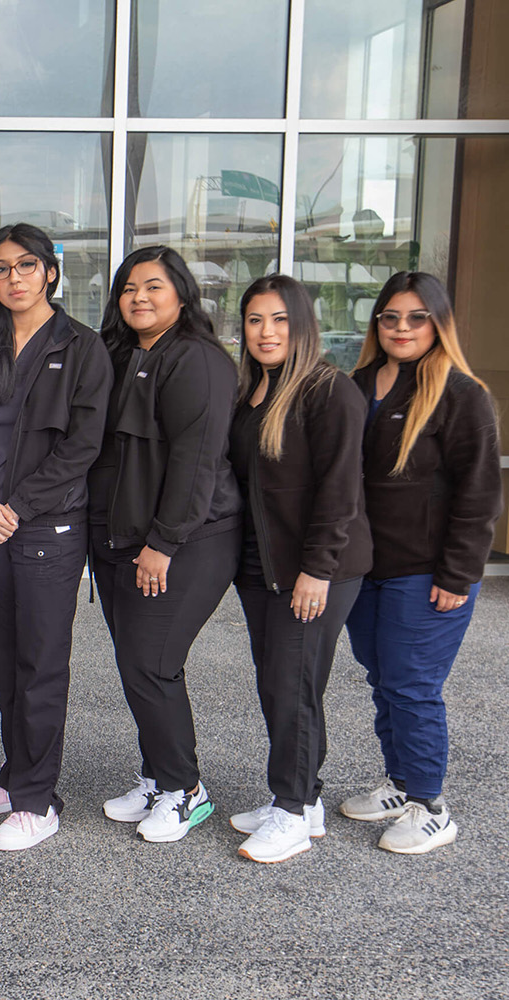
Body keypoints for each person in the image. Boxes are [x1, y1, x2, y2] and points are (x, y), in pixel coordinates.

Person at [0, 223, 112, 851]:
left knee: (41, 663)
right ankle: (14, 771)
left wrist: (14, 507)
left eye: (26, 265)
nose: (13, 278)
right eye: (0, 268)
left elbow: (82, 447)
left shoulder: (82, 347)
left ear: (50, 271)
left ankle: (38, 799)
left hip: (46, 527)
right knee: (1, 657)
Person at [341, 272, 501, 855]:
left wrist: (458, 574)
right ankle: (400, 782)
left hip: (427, 572)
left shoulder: (461, 393)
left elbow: (479, 495)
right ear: (376, 323)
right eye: (390, 317)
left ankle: (430, 805)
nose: (401, 328)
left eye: (416, 317)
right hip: (366, 569)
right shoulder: (357, 385)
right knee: (383, 679)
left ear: (438, 324)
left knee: (412, 685)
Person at [89, 245, 242, 843]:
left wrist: (164, 543)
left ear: (181, 293)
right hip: (123, 540)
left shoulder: (198, 360)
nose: (139, 298)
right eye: (128, 288)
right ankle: (157, 775)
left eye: (153, 286)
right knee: (136, 664)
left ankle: (186, 789)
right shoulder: (127, 354)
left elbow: (196, 461)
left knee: (152, 663)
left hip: (187, 541)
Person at [225, 274, 371, 864]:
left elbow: (341, 490)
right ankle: (303, 800)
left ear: (303, 325)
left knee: (292, 685)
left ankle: (289, 812)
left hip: (316, 570)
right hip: (263, 568)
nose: (266, 332)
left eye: (280, 320)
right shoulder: (251, 391)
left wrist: (317, 569)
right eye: (255, 320)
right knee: (283, 683)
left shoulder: (329, 392)